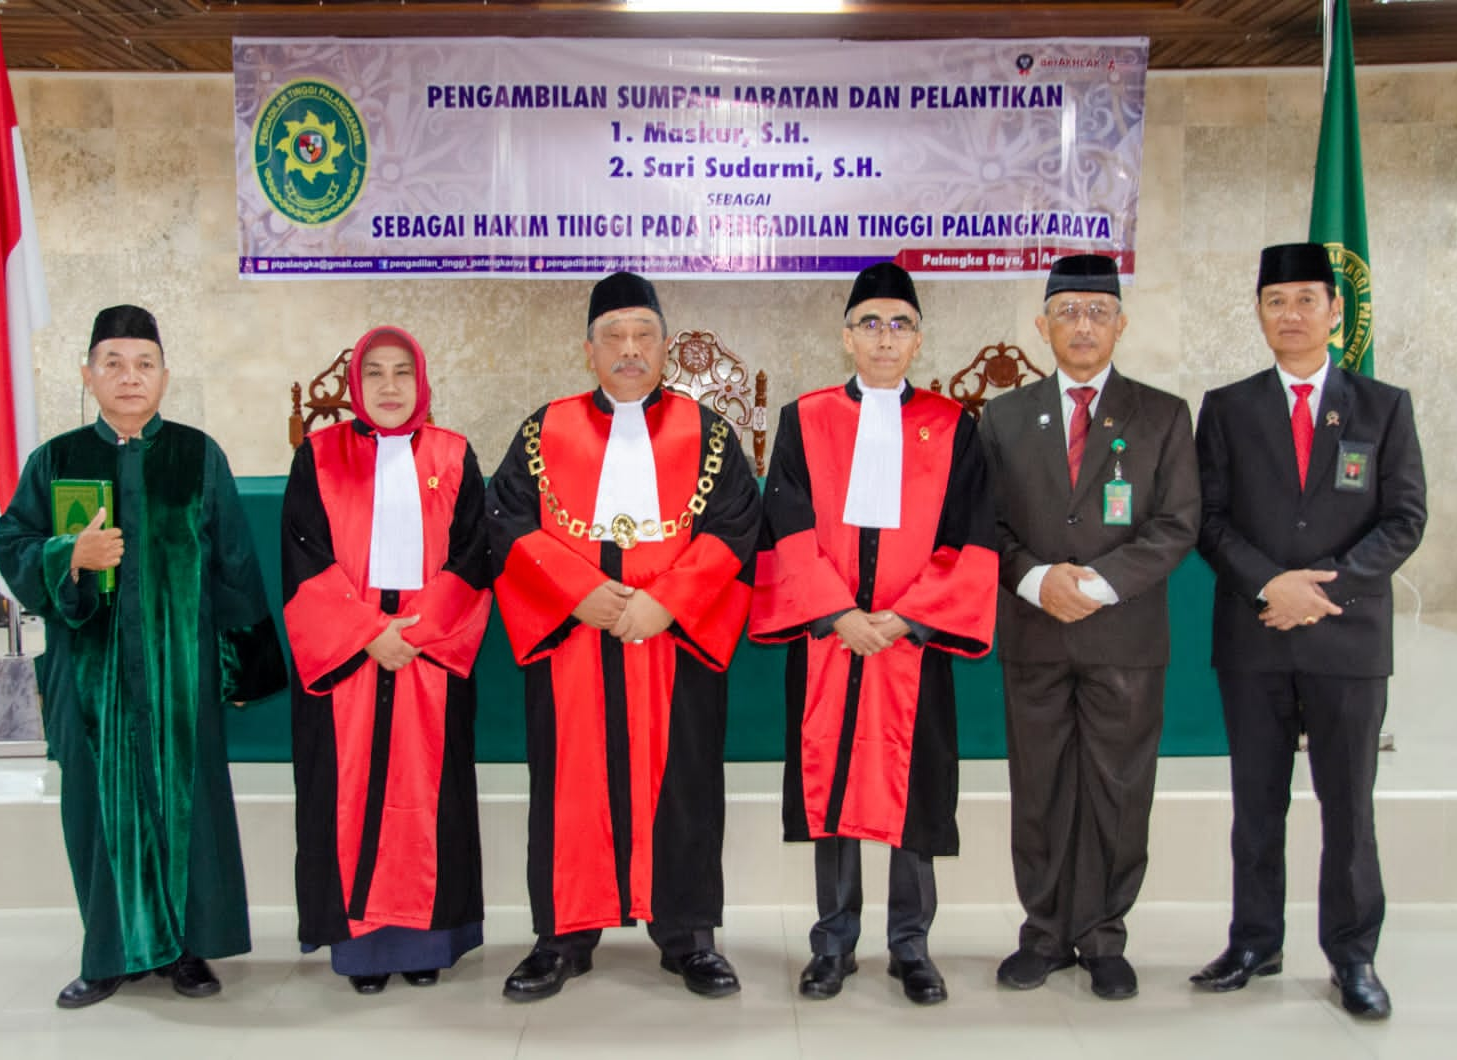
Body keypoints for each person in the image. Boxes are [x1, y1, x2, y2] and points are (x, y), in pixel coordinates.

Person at [0, 305, 286, 1009]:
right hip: (89, 681)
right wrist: (70, 554)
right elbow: (11, 547)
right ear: (88, 375)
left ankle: (188, 951)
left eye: (144, 364)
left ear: (165, 376)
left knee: (189, 812)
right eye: (114, 364)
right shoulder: (55, 461)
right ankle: (109, 954)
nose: (130, 377)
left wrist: (243, 669)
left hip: (179, 674)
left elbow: (235, 567)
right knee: (99, 814)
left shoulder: (197, 455)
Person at [486, 272, 761, 1001]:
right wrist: (579, 596)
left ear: (666, 347)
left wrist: (667, 603)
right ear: (588, 350)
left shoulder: (708, 434)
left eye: (644, 336)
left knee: (687, 785)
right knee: (566, 788)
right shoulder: (544, 430)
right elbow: (506, 522)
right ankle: (563, 936)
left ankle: (689, 936)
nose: (630, 350)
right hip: (575, 644)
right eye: (614, 337)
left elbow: (737, 524)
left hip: (673, 646)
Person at [751, 262, 998, 1006]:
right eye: (870, 324)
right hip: (832, 638)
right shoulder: (807, 418)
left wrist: (908, 617)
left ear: (919, 339)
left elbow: (972, 537)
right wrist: (837, 614)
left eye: (900, 325)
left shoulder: (955, 427)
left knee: (915, 792)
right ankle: (833, 942)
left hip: (913, 643)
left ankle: (911, 945)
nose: (885, 338)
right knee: (831, 789)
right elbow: (787, 527)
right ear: (846, 336)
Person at [1191, 242, 1426, 1020]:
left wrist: (1321, 590)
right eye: (1274, 301)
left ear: (1335, 312)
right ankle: (1254, 941)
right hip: (1255, 634)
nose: (1289, 315)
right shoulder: (1226, 407)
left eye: (1304, 300)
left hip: (1345, 639)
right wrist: (1270, 584)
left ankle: (1353, 955)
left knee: (1347, 806)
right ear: (1258, 313)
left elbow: (1403, 519)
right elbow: (1210, 522)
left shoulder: (1384, 406)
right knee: (1256, 805)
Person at [980, 254, 1200, 1000]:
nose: (1082, 325)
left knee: (1117, 790)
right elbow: (988, 525)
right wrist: (1039, 580)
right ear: (1042, 326)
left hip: (1124, 639)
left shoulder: (1164, 415)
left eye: (1097, 312)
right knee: (1038, 790)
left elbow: (1177, 525)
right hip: (1035, 632)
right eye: (1067, 312)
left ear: (1120, 323)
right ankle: (1043, 934)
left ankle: (1105, 937)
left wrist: (1097, 586)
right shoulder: (1004, 416)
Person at [282, 325, 491, 995]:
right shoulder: (317, 456)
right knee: (349, 799)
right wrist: (367, 633)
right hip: (350, 657)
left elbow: (473, 559)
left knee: (431, 800)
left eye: (404, 372)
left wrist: (417, 632)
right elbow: (302, 558)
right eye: (376, 373)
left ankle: (429, 941)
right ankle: (363, 953)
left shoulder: (455, 456)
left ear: (422, 380)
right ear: (356, 385)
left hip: (429, 658)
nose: (392, 386)